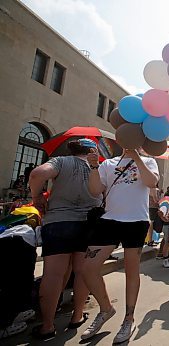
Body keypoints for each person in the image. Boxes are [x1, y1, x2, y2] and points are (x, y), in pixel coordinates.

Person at [81, 148, 159, 343]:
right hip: (109, 220)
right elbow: (94, 190)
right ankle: (106, 309)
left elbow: (152, 182)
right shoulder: (109, 163)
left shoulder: (148, 161)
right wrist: (93, 167)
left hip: (136, 221)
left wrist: (137, 157)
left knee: (131, 271)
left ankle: (128, 319)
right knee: (88, 268)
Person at [28, 139, 100, 340]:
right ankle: (77, 317)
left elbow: (37, 174)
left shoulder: (61, 161)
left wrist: (37, 198)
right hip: (89, 223)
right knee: (81, 272)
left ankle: (47, 326)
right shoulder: (98, 168)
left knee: (53, 274)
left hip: (58, 221)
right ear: (92, 151)